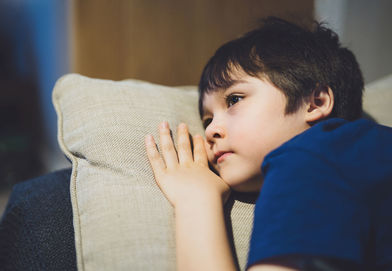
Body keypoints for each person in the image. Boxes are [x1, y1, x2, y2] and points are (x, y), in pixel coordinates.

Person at [144, 17, 392, 270]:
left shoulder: (310, 156)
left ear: (315, 102)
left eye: (234, 100)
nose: (211, 131)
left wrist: (196, 199)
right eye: (207, 120)